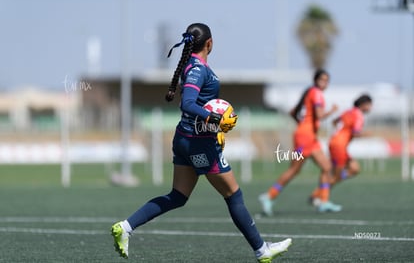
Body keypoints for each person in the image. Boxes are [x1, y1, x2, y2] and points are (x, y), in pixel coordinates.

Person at [111, 23, 292, 262]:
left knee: (178, 196)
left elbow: (194, 106)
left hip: (188, 139)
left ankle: (125, 227)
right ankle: (262, 250)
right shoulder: (198, 68)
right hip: (198, 144)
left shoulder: (195, 66)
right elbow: (187, 103)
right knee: (233, 195)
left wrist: (212, 127)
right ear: (210, 43)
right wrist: (214, 118)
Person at [259, 69, 342, 215]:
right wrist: (332, 110)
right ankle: (269, 196)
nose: (325, 83)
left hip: (309, 137)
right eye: (322, 80)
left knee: (327, 166)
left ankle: (323, 201)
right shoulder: (316, 93)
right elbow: (320, 115)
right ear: (316, 80)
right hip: (305, 138)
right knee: (294, 170)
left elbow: (293, 112)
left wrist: (302, 125)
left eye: (327, 80)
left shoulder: (309, 92)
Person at [310, 94, 373, 202]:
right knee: (336, 176)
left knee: (354, 169)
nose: (370, 108)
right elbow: (356, 133)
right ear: (363, 105)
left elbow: (335, 121)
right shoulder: (358, 115)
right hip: (339, 146)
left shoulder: (348, 112)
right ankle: (317, 196)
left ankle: (319, 194)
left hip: (336, 144)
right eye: (369, 105)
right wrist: (367, 134)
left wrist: (340, 133)